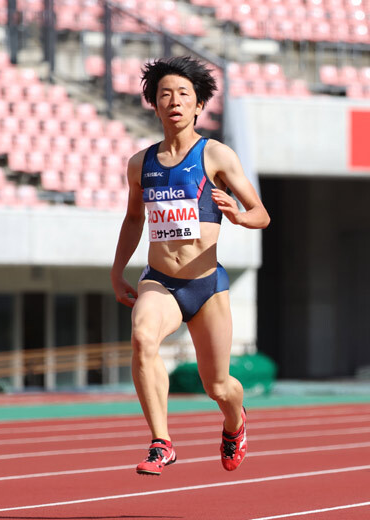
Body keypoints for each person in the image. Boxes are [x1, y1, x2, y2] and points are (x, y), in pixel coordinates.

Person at [110, 56, 270, 476]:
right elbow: (133, 219)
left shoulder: (215, 155)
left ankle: (235, 422)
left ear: (199, 106)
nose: (174, 101)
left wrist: (236, 215)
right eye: (165, 95)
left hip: (206, 285)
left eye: (183, 94)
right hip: (160, 282)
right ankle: (161, 442)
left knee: (218, 386)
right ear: (155, 105)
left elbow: (261, 214)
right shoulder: (139, 164)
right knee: (143, 338)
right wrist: (116, 271)